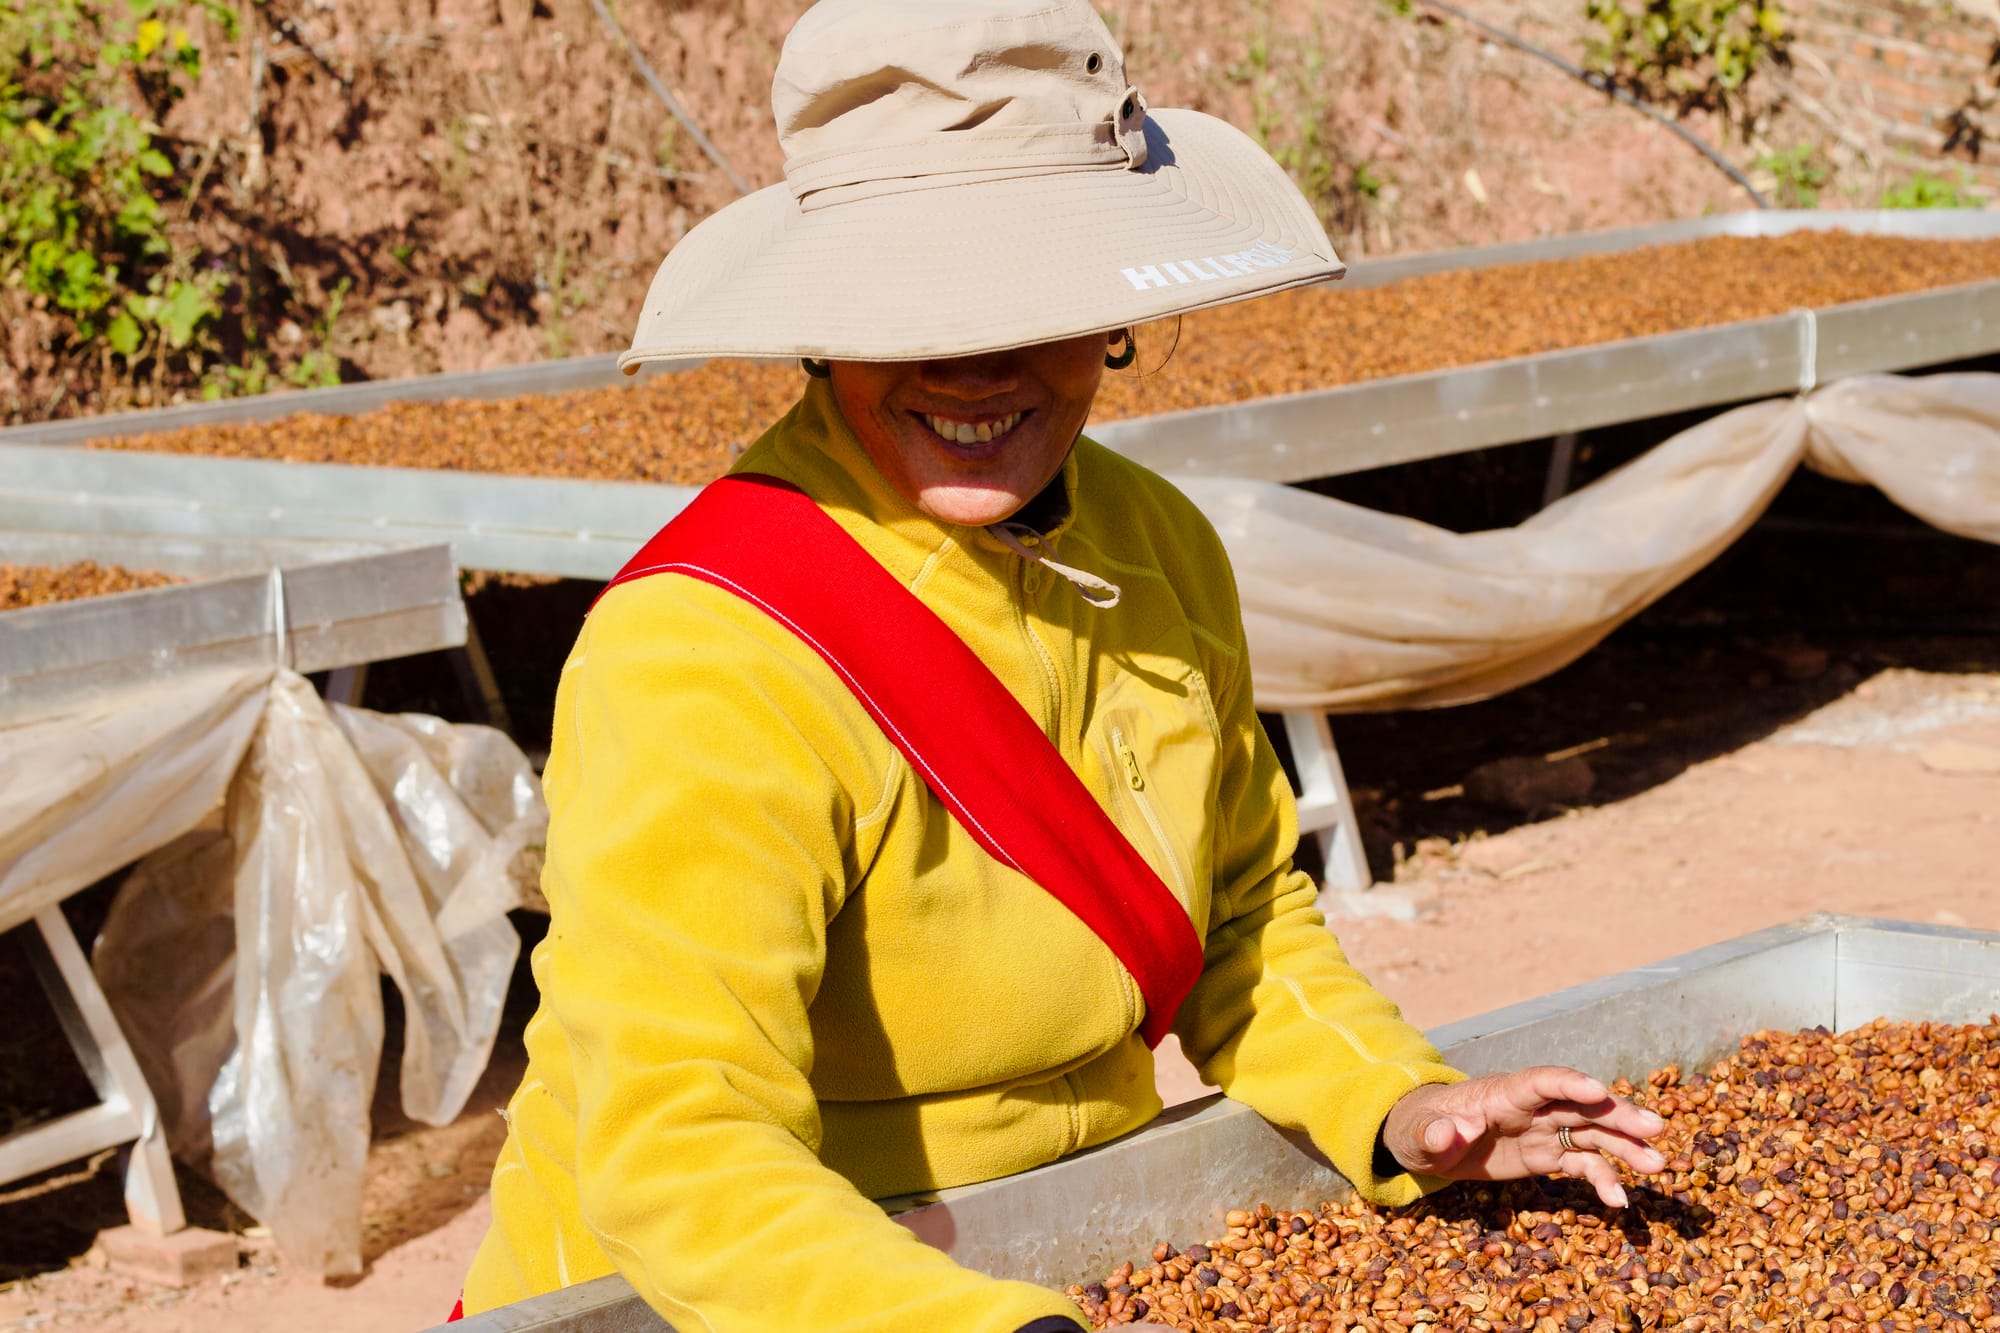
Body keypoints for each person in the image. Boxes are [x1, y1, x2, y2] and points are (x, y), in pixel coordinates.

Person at [458, 2, 1666, 1330]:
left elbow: (1246, 917)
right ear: (821, 328)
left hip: (1061, 1259)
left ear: (1117, 317)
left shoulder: (1158, 546)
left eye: (1038, 300)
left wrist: (1401, 1102)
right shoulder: (704, 650)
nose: (973, 361)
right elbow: (678, 1149)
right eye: (907, 311)